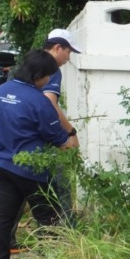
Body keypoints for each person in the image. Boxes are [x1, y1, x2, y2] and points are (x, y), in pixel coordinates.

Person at [0, 49, 79, 259]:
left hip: (3, 166)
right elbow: (57, 137)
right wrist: (72, 143)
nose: (48, 81)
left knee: (3, 218)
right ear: (40, 75)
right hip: (32, 170)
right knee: (48, 217)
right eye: (48, 76)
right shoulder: (38, 101)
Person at [41, 28, 82, 224]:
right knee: (61, 176)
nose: (68, 58)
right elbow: (49, 103)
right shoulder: (52, 69)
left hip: (16, 130)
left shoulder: (28, 61)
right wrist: (70, 132)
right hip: (42, 132)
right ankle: (68, 226)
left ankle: (10, 240)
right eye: (68, 52)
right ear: (58, 48)